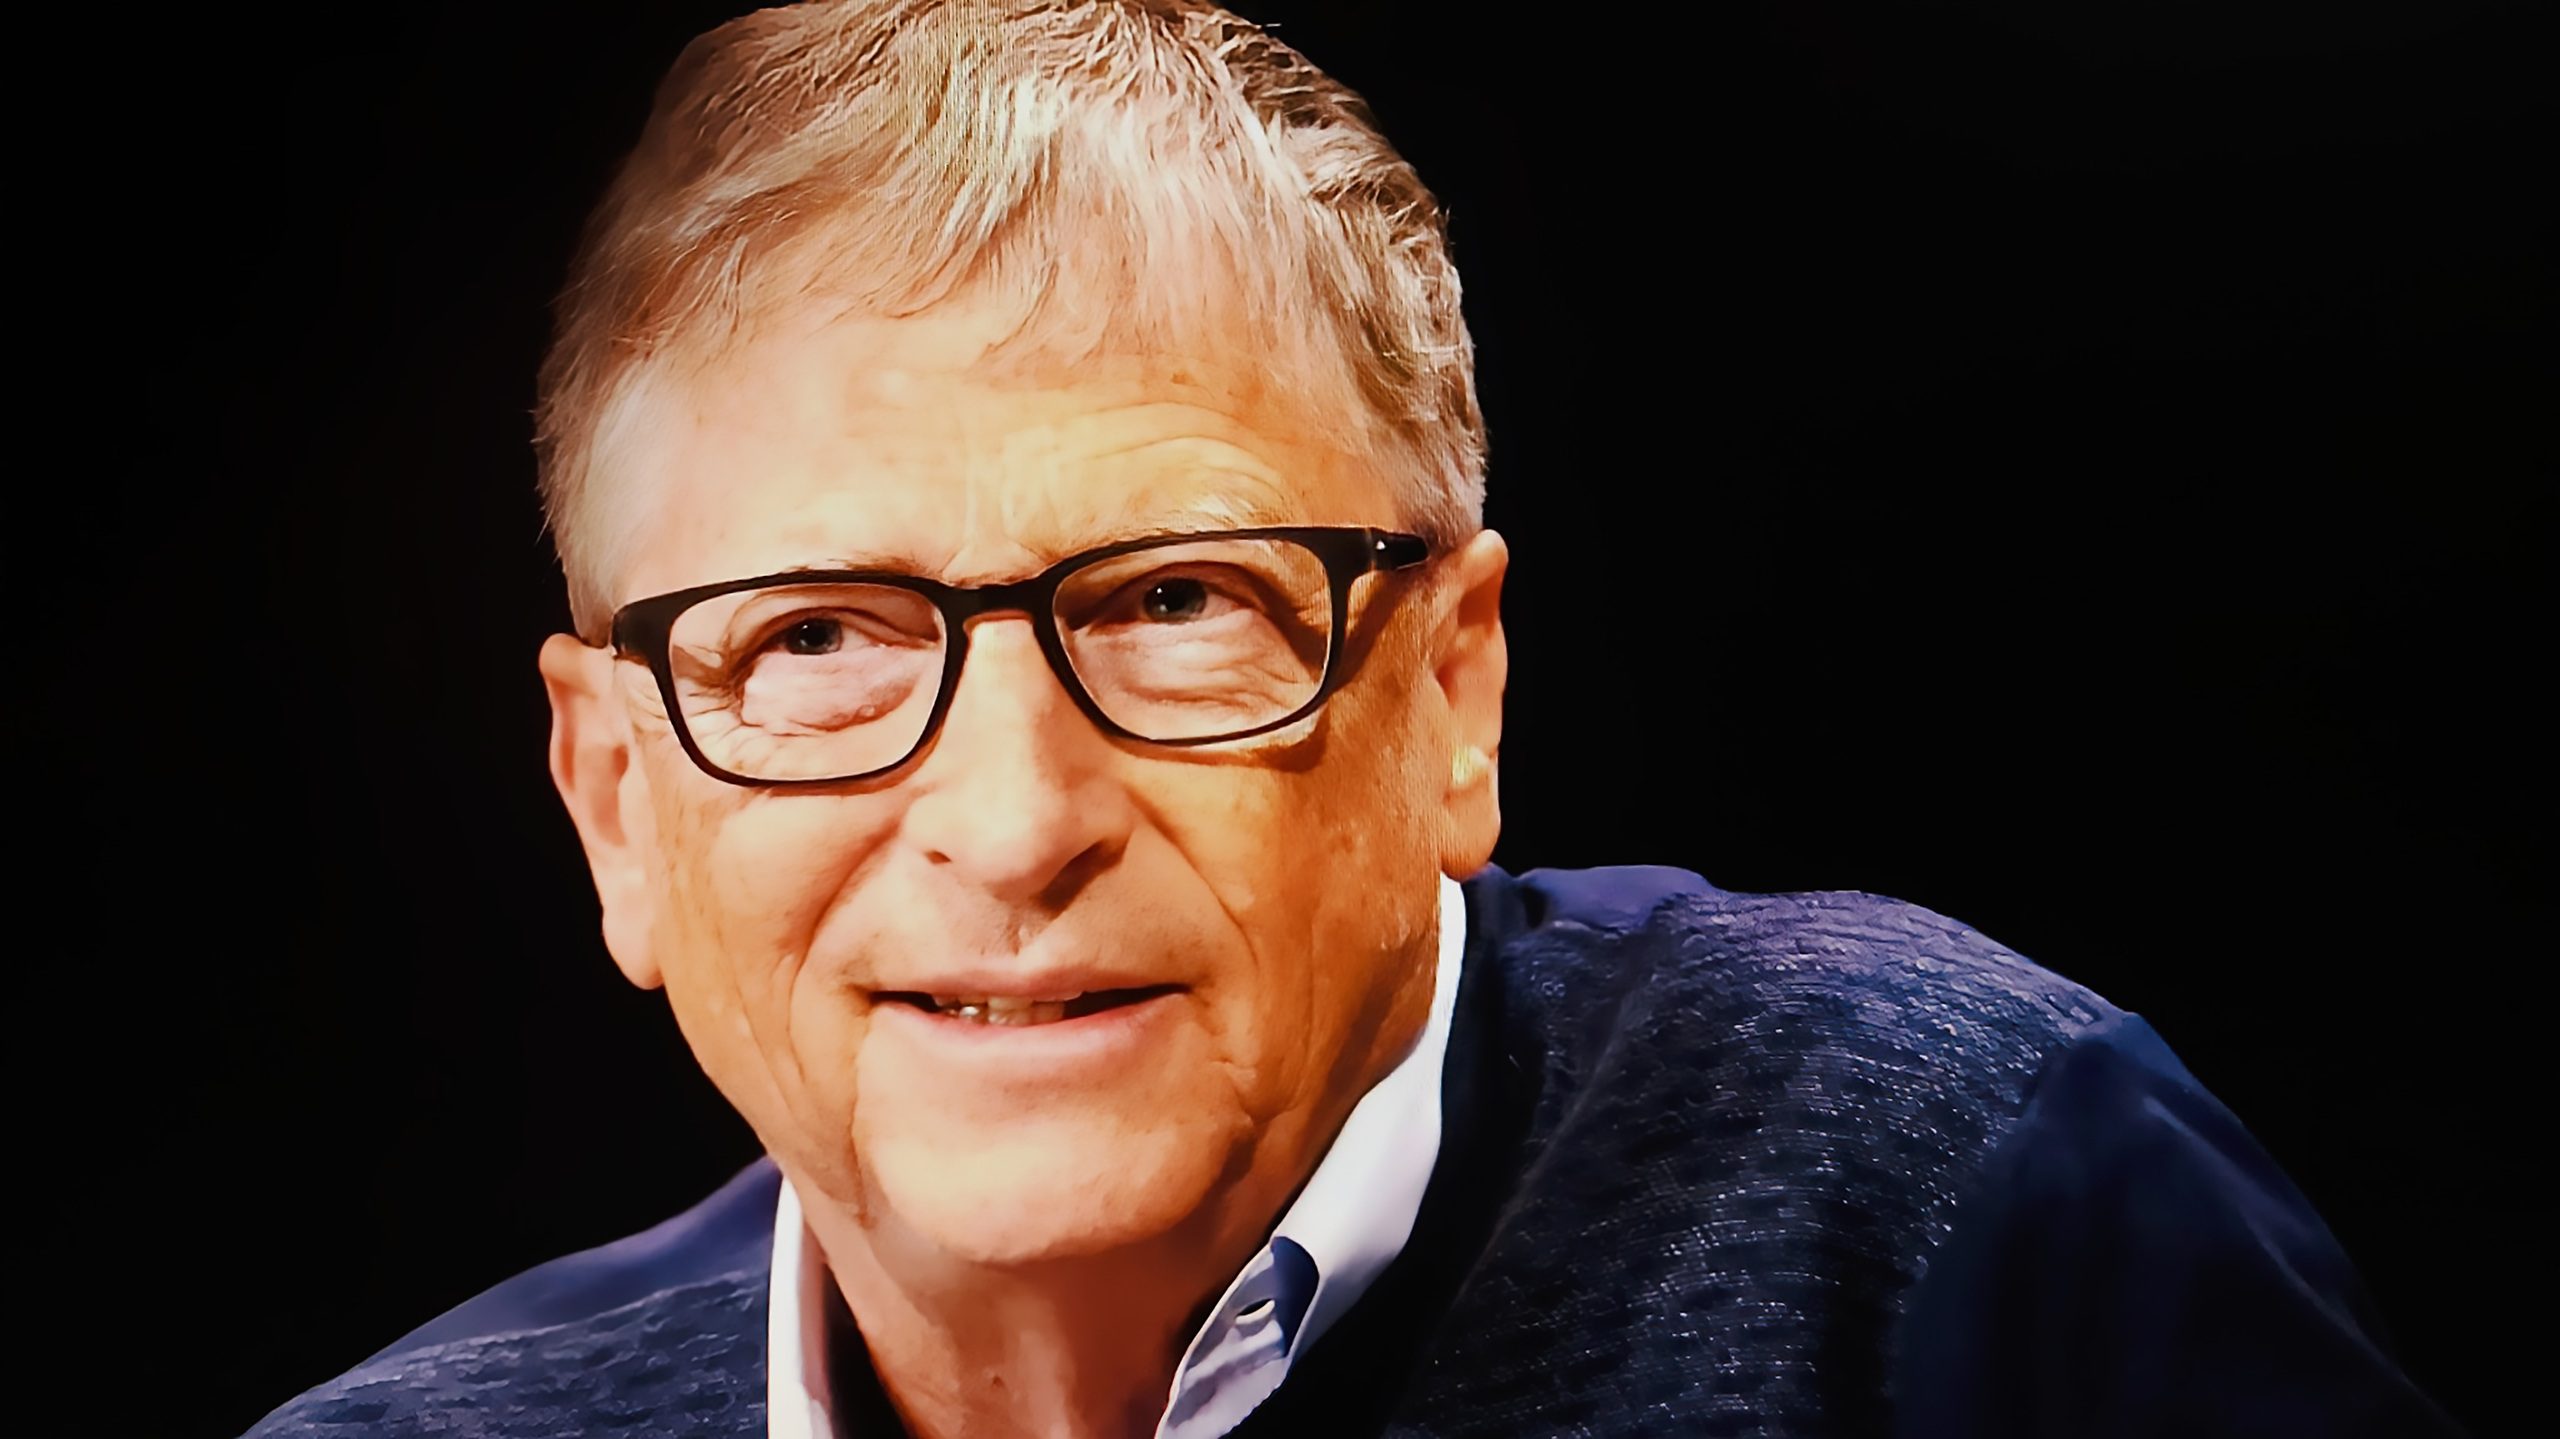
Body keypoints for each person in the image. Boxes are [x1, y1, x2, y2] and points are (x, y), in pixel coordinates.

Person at [247, 2, 2463, 1435]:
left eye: (1176, 602)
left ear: (1450, 695)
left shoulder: (1957, 1203)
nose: (1010, 820)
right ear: (616, 803)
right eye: (818, 640)